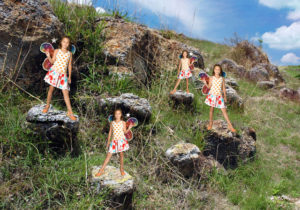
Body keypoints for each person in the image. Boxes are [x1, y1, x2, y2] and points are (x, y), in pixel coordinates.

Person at [43, 36, 76, 121]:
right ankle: (47, 105)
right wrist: (48, 56)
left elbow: (69, 65)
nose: (65, 44)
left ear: (69, 44)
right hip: (55, 73)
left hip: (63, 75)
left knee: (66, 93)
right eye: (64, 42)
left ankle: (70, 112)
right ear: (61, 42)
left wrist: (69, 76)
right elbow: (52, 62)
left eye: (67, 42)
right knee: (51, 90)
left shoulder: (69, 54)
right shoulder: (57, 51)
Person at [96, 109, 133, 176]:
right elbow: (110, 132)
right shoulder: (112, 123)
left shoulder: (123, 123)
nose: (117, 115)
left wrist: (129, 128)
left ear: (121, 115)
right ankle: (101, 170)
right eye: (116, 114)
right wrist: (108, 141)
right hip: (114, 141)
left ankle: (121, 169)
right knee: (108, 155)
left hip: (121, 140)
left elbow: (125, 132)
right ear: (114, 115)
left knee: (121, 155)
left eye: (119, 114)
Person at [202, 64, 236, 132]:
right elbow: (209, 87)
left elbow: (223, 88)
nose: (217, 70)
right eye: (216, 69)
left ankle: (230, 125)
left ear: (220, 71)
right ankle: (210, 123)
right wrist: (205, 83)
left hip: (219, 96)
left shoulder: (222, 78)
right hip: (212, 95)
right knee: (211, 110)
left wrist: (225, 96)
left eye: (218, 69)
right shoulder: (211, 78)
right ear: (214, 70)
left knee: (224, 111)